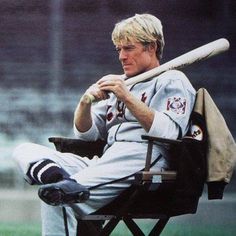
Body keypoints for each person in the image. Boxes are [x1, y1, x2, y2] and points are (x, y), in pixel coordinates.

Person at [13, 13, 196, 236]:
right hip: (107, 159)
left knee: (57, 197)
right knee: (24, 150)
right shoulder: (121, 83)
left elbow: (169, 132)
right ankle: (58, 179)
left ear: (151, 47)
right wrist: (85, 102)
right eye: (118, 49)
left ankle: (67, 187)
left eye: (128, 48)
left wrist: (127, 97)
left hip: (145, 160)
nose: (121, 56)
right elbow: (85, 135)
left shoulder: (172, 79)